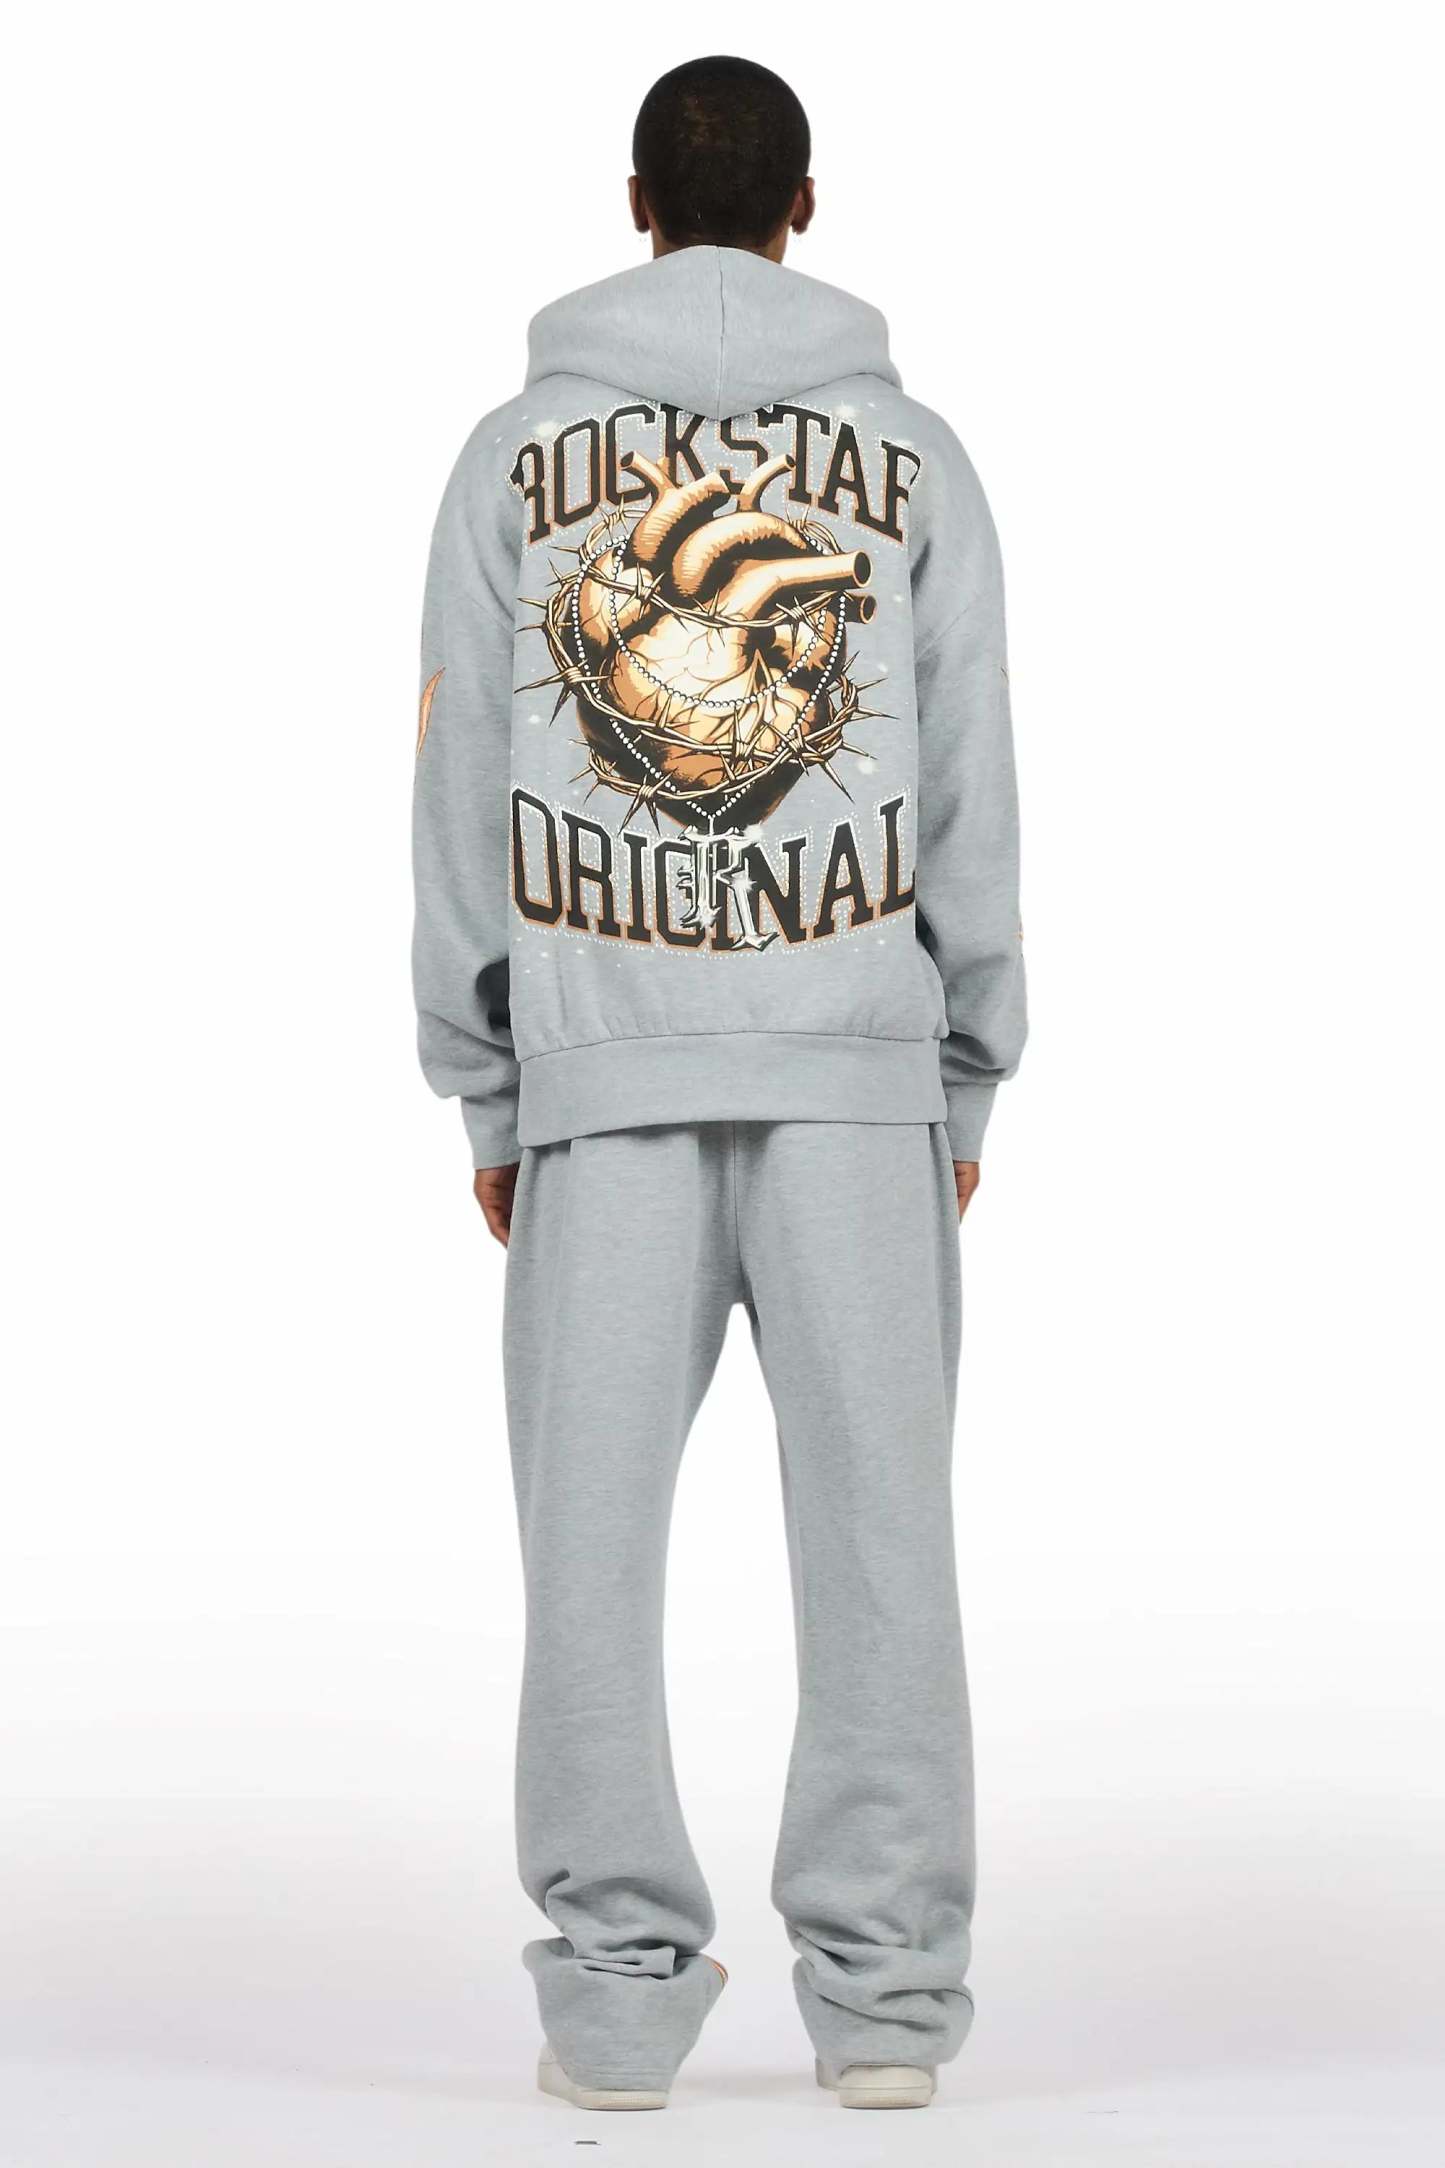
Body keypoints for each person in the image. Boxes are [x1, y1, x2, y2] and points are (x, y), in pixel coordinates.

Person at [412, 53, 1026, 2115]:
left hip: (600, 1074)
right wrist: (964, 1068)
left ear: (633, 203)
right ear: (805, 206)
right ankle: (888, 2011)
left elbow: (455, 779)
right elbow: (969, 779)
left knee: (585, 1565)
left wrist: (490, 1079)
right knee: (883, 1551)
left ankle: (609, 2007)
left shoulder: (512, 461)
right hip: (858, 1072)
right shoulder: (916, 464)